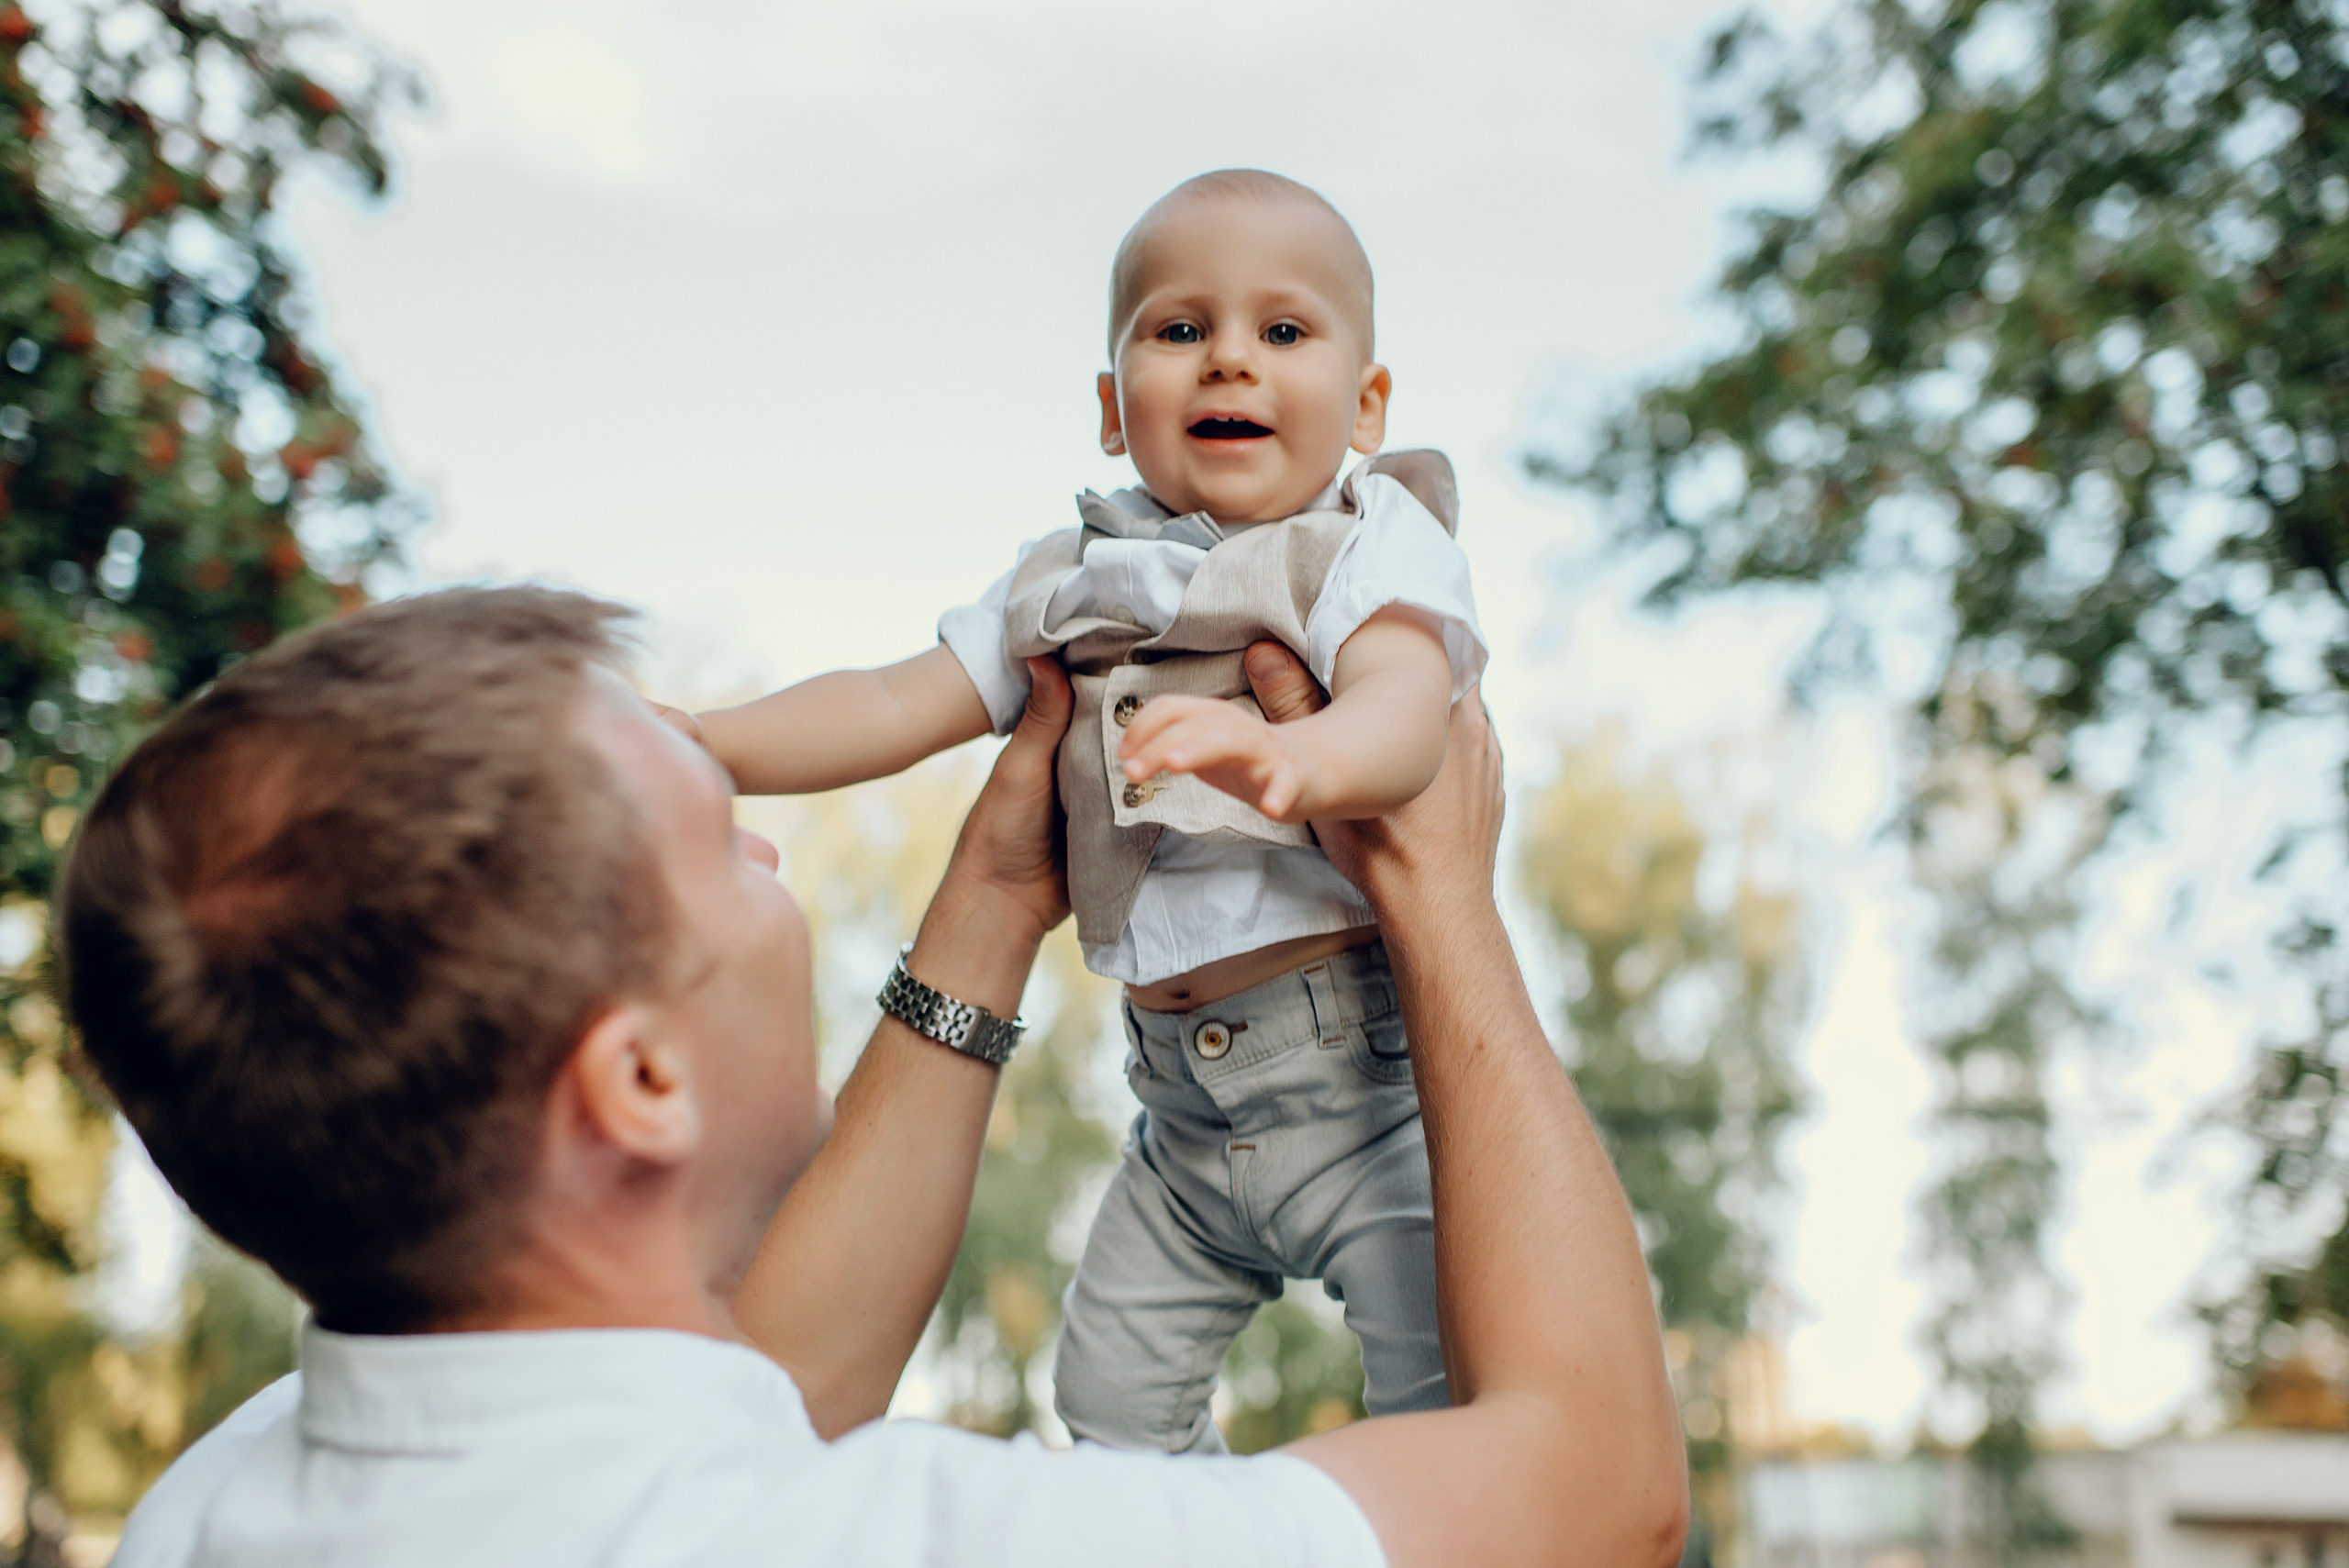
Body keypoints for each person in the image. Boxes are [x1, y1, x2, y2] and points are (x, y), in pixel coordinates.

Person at [61, 585, 1685, 1567]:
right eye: (718, 843)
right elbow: (1596, 1496)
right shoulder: (909, 1545)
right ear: (635, 1078)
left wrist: (991, 901)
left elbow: (770, 1384)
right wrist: (1439, 898)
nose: (770, 842)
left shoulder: (216, 1507)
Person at [678, 169, 1484, 1451]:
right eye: (1180, 329)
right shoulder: (1074, 574)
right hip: (1177, 1112)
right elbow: (901, 696)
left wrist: (1302, 758)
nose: (1230, 359)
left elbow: (1406, 703)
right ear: (1114, 410)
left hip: (1357, 1086)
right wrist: (711, 746)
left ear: (1368, 403)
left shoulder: (1362, 542)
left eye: (1283, 331)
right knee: (1106, 1406)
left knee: (1446, 1397)